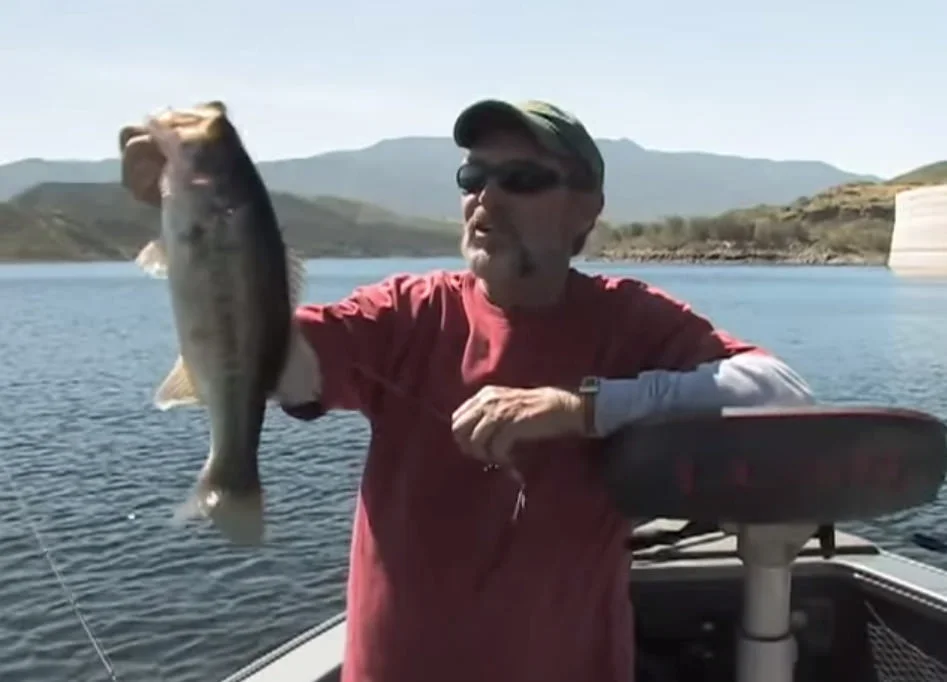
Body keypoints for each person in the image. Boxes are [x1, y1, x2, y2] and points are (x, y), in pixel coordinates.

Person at [118, 98, 815, 682]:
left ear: (585, 210)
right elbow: (280, 370)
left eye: (520, 178)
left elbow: (780, 393)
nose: (485, 195)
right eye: (472, 174)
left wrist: (584, 408)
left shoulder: (628, 319)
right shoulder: (406, 310)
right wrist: (195, 225)